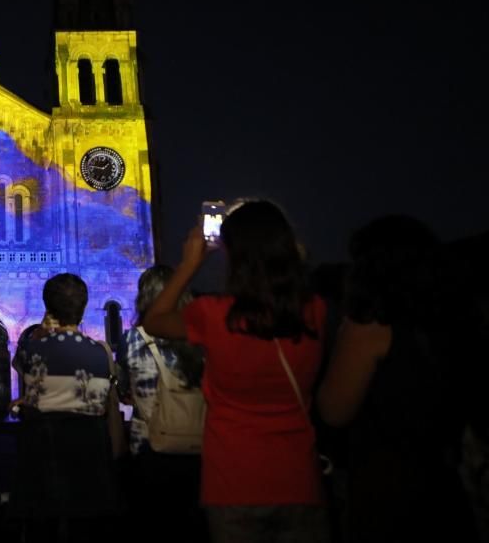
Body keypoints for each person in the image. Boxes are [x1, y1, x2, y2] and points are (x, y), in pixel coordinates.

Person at [143, 200, 329, 542]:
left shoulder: (213, 314)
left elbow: (154, 320)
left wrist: (188, 265)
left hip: (232, 480)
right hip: (299, 479)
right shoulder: (315, 311)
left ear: (231, 254)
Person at [317, 215, 480, 542]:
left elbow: (334, 410)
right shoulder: (460, 324)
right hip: (446, 490)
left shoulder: (371, 329)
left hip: (386, 493)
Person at [10, 273, 121, 543]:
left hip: (43, 463)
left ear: (48, 307)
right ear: (83, 307)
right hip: (90, 464)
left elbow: (19, 368)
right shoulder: (100, 352)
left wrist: (43, 330)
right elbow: (111, 407)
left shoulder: (32, 349)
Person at [116, 265, 208, 542]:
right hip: (200, 445)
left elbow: (123, 391)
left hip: (149, 448)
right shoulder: (200, 338)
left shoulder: (132, 340)